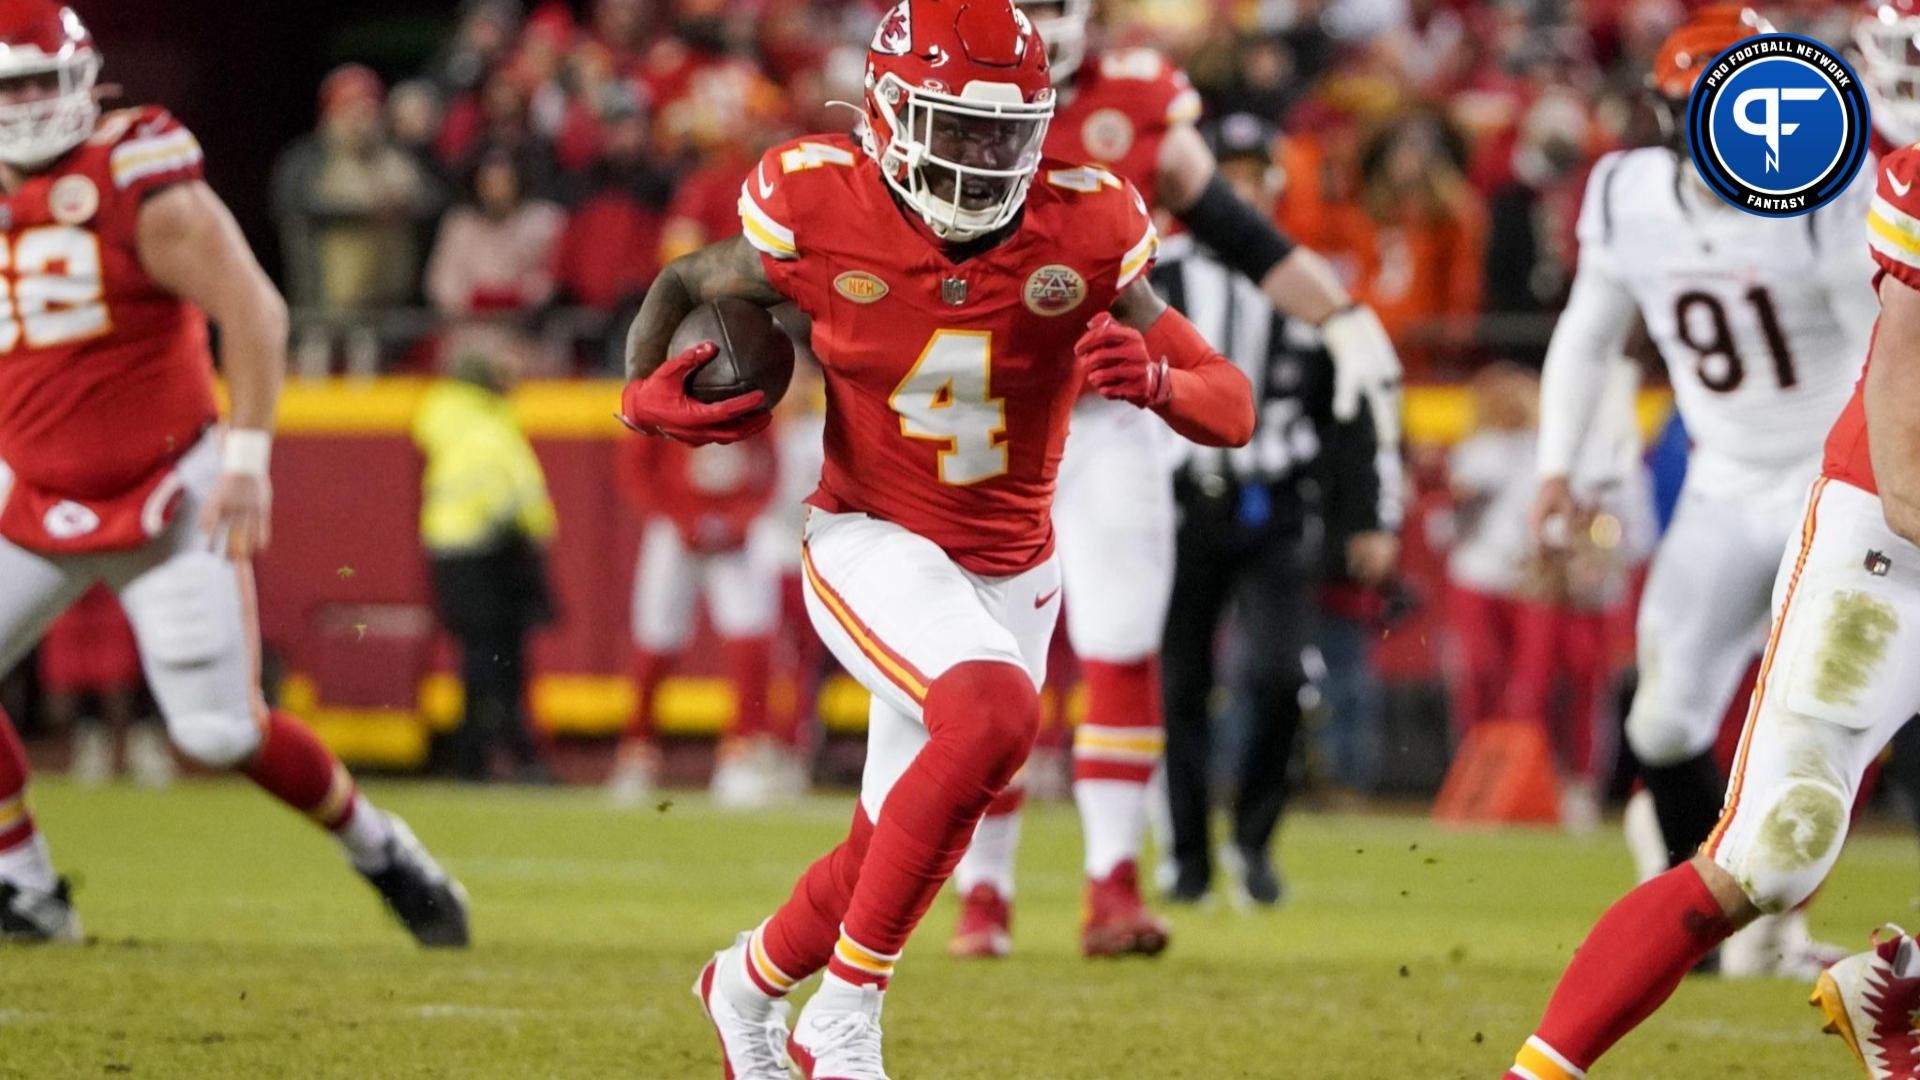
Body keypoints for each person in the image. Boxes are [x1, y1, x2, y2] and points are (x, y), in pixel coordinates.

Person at [616, 2, 1251, 1073]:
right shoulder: (822, 203)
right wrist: (641, 394)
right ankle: (845, 1017)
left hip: (1014, 567)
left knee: (885, 843)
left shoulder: (1087, 227)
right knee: (995, 714)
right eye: (953, 127)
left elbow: (1226, 403)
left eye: (1002, 133)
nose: (977, 156)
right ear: (887, 111)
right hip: (868, 536)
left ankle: (746, 983)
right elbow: (688, 281)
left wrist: (1154, 382)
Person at [0, 1, 466, 946]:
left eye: (42, 82)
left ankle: (381, 847)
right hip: (30, 487)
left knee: (217, 734)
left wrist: (248, 460)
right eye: (10, 87)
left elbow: (254, 313)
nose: (28, 107)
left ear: (87, 79)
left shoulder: (136, 179)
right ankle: (28, 886)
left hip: (169, 487)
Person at [950, 0, 1404, 962]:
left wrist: (1343, 317)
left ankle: (1112, 883)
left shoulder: (1136, 102)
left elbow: (1243, 234)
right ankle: (979, 892)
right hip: (978, 414)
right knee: (980, 667)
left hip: (1110, 415)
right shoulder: (934, 87)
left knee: (1120, 648)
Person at [1503, 134, 1920, 1080]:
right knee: (1777, 847)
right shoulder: (1895, 190)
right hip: (1887, 539)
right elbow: (1903, 458)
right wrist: (1570, 464)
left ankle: (1899, 995)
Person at [1526, 4, 1879, 981]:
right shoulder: (1626, 193)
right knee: (1662, 724)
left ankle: (1764, 931)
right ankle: (1709, 910)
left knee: (1814, 724)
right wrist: (1561, 464)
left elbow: (1880, 348)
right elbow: (1590, 335)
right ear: (1672, 109)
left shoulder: (1829, 188)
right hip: (1721, 482)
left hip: (1831, 481)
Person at [1154, 113, 1398, 907]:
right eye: (1234, 172)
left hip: (1276, 507)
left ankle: (1253, 844)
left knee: (1282, 676)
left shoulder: (1308, 284)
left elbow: (1352, 411)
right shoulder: (1156, 276)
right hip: (1179, 504)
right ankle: (1186, 858)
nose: (1247, 187)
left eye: (1259, 172)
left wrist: (1369, 515)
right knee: (1178, 687)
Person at [605, 422, 786, 809]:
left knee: (750, 639)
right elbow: (635, 467)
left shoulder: (751, 383)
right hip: (674, 529)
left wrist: (741, 517)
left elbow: (769, 462)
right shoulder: (666, 386)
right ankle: (637, 749)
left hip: (735, 532)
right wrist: (676, 516)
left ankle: (742, 753)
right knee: (656, 641)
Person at [413, 335, 556, 784]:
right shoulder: (477, 422)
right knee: (492, 658)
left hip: (466, 549)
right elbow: (497, 491)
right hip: (486, 549)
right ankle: (490, 754)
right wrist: (522, 527)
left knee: (487, 658)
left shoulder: (462, 416)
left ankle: (484, 753)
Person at [37, 584, 170, 788]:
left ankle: (137, 748)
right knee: (59, 705)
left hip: (111, 596)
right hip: (67, 599)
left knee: (118, 687)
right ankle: (87, 743)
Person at [425, 147, 564, 318]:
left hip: (526, 325)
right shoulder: (460, 223)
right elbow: (442, 283)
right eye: (488, 183)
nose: (496, 190)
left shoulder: (542, 220)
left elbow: (548, 279)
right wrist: (475, 302)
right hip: (469, 325)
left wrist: (516, 297)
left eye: (504, 182)